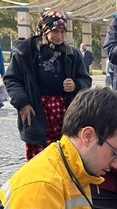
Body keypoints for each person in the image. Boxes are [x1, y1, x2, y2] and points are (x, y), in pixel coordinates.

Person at [6, 10, 93, 160]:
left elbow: (86, 79)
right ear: (44, 30)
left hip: (65, 112)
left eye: (62, 32)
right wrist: (22, 102)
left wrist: (76, 84)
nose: (59, 36)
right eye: (55, 31)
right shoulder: (26, 52)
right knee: (40, 158)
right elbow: (12, 79)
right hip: (37, 111)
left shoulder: (72, 54)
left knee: (66, 155)